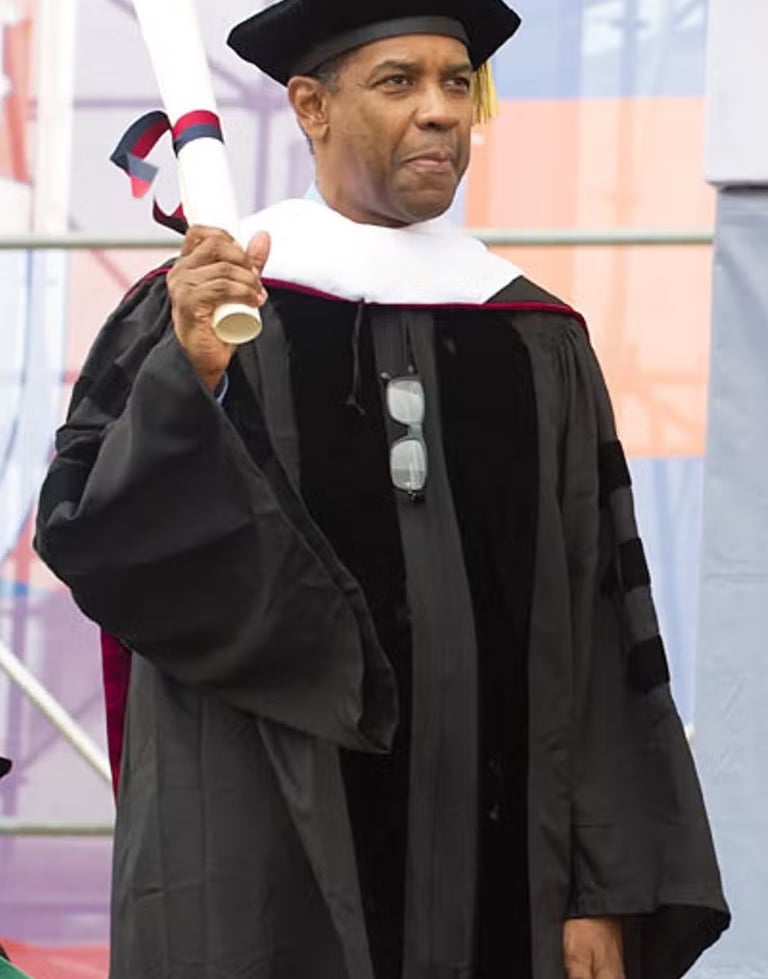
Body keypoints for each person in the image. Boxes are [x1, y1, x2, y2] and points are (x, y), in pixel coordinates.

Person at [34, 2, 729, 977]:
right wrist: (190, 376)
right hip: (264, 854)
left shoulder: (534, 335)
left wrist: (603, 890)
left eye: (457, 83)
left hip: (511, 874)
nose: (440, 110)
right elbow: (101, 535)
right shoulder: (206, 309)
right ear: (311, 107)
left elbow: (599, 625)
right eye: (399, 81)